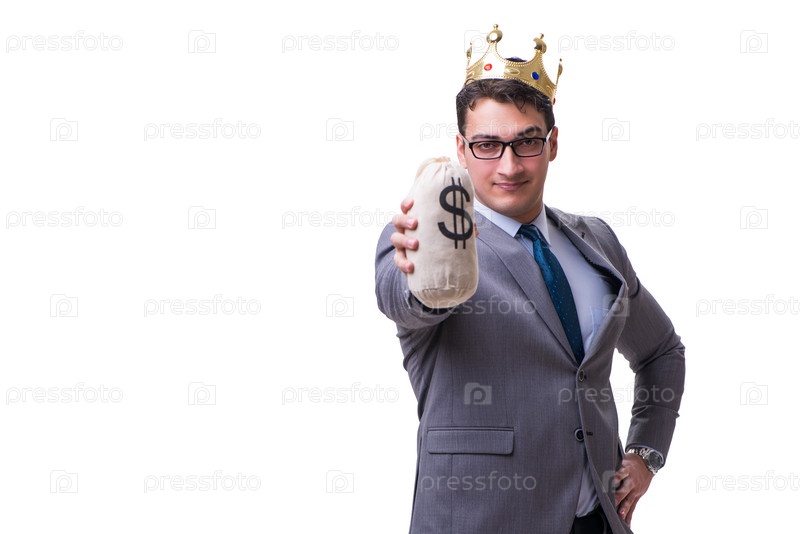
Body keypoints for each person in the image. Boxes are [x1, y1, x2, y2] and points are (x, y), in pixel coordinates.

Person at [374, 25, 685, 534]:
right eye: (487, 145)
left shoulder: (597, 241)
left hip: (599, 520)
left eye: (527, 142)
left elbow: (661, 351)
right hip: (482, 521)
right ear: (461, 148)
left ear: (553, 143)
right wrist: (423, 265)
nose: (510, 165)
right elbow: (406, 297)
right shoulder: (429, 240)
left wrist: (645, 453)